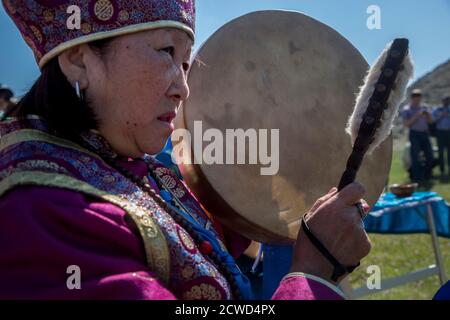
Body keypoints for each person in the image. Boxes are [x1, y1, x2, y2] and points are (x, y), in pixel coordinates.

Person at [0, 0, 371, 300]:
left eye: (186, 62)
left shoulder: (123, 164)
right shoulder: (43, 210)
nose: (183, 88)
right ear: (79, 59)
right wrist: (313, 272)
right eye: (165, 51)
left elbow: (204, 247)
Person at [401, 89, 434, 183]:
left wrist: (428, 115)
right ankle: (417, 178)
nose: (417, 99)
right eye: (415, 97)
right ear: (412, 98)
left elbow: (431, 121)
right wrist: (417, 115)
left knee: (430, 156)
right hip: (414, 134)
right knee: (415, 157)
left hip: (425, 133)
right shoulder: (407, 109)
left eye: (419, 97)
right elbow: (407, 124)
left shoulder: (425, 107)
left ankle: (427, 176)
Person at [433, 96, 450, 177]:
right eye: (445, 100)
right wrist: (442, 115)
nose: (446, 102)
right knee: (441, 152)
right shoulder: (437, 110)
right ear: (442, 101)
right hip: (440, 133)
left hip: (448, 132)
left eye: (448, 100)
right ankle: (442, 171)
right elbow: (433, 120)